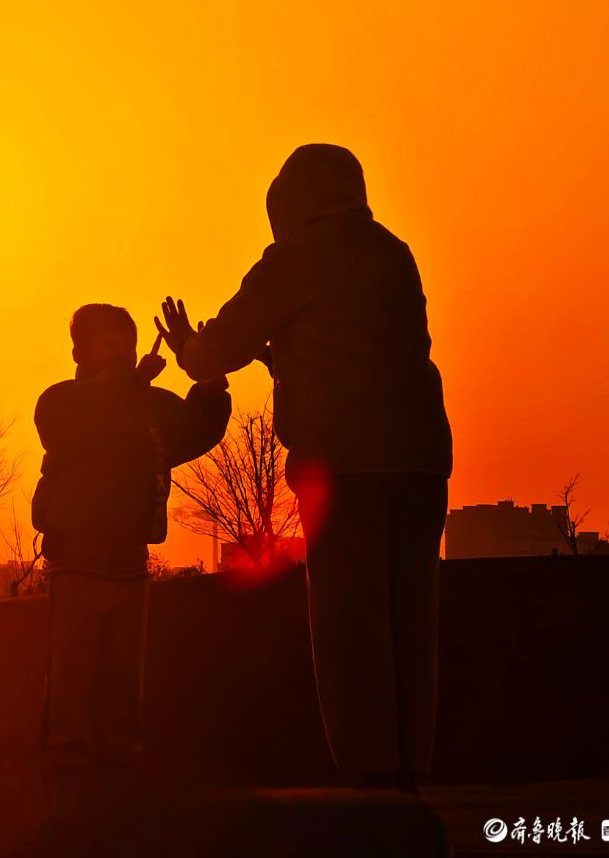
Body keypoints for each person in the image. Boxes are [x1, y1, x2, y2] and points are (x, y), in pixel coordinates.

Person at [154, 144, 452, 797]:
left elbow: (218, 348)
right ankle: (409, 767)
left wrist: (189, 350)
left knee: (350, 623)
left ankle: (370, 773)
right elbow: (356, 348)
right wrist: (282, 359)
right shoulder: (391, 252)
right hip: (422, 456)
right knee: (411, 621)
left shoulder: (294, 258)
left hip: (345, 462)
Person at [31, 303, 231, 819]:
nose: (119, 353)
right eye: (106, 344)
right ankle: (66, 787)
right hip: (75, 562)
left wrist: (208, 375)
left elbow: (195, 427)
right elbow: (68, 428)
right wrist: (130, 382)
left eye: (125, 343)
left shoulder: (146, 403)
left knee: (123, 680)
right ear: (79, 352)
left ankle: (120, 783)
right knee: (71, 679)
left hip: (129, 563)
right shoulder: (60, 401)